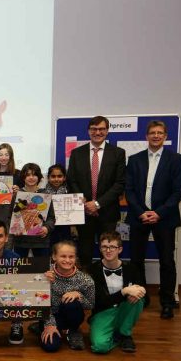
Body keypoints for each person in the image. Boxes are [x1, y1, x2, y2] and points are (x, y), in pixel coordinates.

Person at [125, 120, 181, 320]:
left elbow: (177, 192)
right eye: (152, 133)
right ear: (146, 136)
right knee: (136, 261)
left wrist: (158, 212)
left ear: (165, 136)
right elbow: (130, 190)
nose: (156, 136)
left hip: (165, 218)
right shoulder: (134, 159)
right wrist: (142, 211)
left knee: (167, 261)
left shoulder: (176, 159)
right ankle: (141, 298)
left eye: (160, 133)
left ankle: (167, 302)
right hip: (139, 216)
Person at [66, 116, 126, 271]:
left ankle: (105, 290)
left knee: (108, 252)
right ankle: (85, 289)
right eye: (94, 129)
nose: (97, 132)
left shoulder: (118, 153)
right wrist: (85, 203)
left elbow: (119, 183)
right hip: (83, 212)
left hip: (107, 212)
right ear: (88, 131)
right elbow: (71, 180)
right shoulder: (76, 153)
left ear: (107, 131)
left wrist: (97, 204)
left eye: (101, 129)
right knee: (84, 253)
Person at [89, 231, 147, 354]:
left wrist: (142, 290)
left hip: (124, 309)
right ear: (100, 249)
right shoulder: (93, 270)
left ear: (120, 249)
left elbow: (144, 293)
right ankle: (115, 336)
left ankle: (125, 334)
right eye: (104, 247)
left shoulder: (131, 268)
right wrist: (124, 291)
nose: (108, 250)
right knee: (100, 347)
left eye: (112, 247)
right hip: (103, 311)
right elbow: (99, 301)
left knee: (138, 297)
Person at [40, 241, 95, 352]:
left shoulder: (85, 280)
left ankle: (73, 330)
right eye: (63, 256)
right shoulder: (43, 273)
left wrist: (78, 295)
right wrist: (50, 324)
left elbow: (90, 305)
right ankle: (42, 326)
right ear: (54, 256)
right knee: (50, 346)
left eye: (71, 257)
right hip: (49, 315)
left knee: (71, 303)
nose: (67, 260)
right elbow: (38, 301)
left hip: (72, 315)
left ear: (76, 258)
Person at [12, 163, 54, 258]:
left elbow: (51, 217)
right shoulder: (17, 195)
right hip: (21, 241)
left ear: (39, 177)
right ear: (23, 177)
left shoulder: (45, 194)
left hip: (41, 241)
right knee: (20, 270)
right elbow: (10, 216)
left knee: (42, 270)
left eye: (34, 174)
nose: (31, 177)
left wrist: (46, 228)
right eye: (28, 175)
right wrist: (14, 228)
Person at [41, 163, 72, 247]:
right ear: (48, 178)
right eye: (53, 176)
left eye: (59, 176)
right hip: (48, 230)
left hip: (65, 229)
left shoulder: (71, 194)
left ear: (64, 177)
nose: (56, 179)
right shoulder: (42, 194)